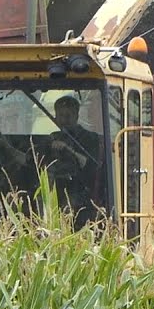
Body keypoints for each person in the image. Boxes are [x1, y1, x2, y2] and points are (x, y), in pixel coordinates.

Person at [44, 94, 104, 226]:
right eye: (61, 115)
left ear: (76, 116)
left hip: (80, 190)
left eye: (68, 115)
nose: (64, 120)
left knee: (67, 212)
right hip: (52, 187)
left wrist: (67, 149)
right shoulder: (52, 138)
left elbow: (89, 165)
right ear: (55, 117)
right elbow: (34, 162)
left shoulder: (90, 138)